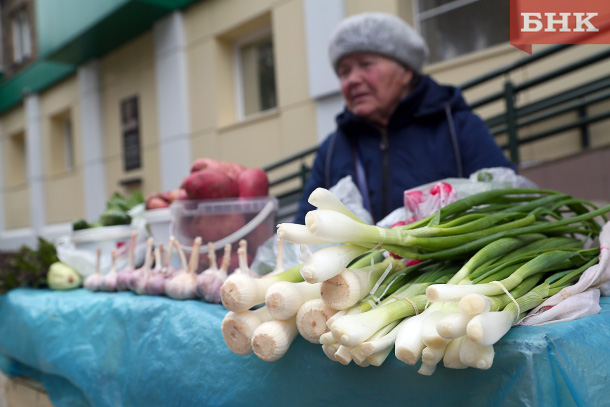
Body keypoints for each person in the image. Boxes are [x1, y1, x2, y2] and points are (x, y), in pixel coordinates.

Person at [293, 12, 515, 225]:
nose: (352, 79)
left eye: (366, 64)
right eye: (344, 72)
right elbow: (304, 227)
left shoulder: (458, 128)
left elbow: (507, 203)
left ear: (406, 71)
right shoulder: (332, 150)